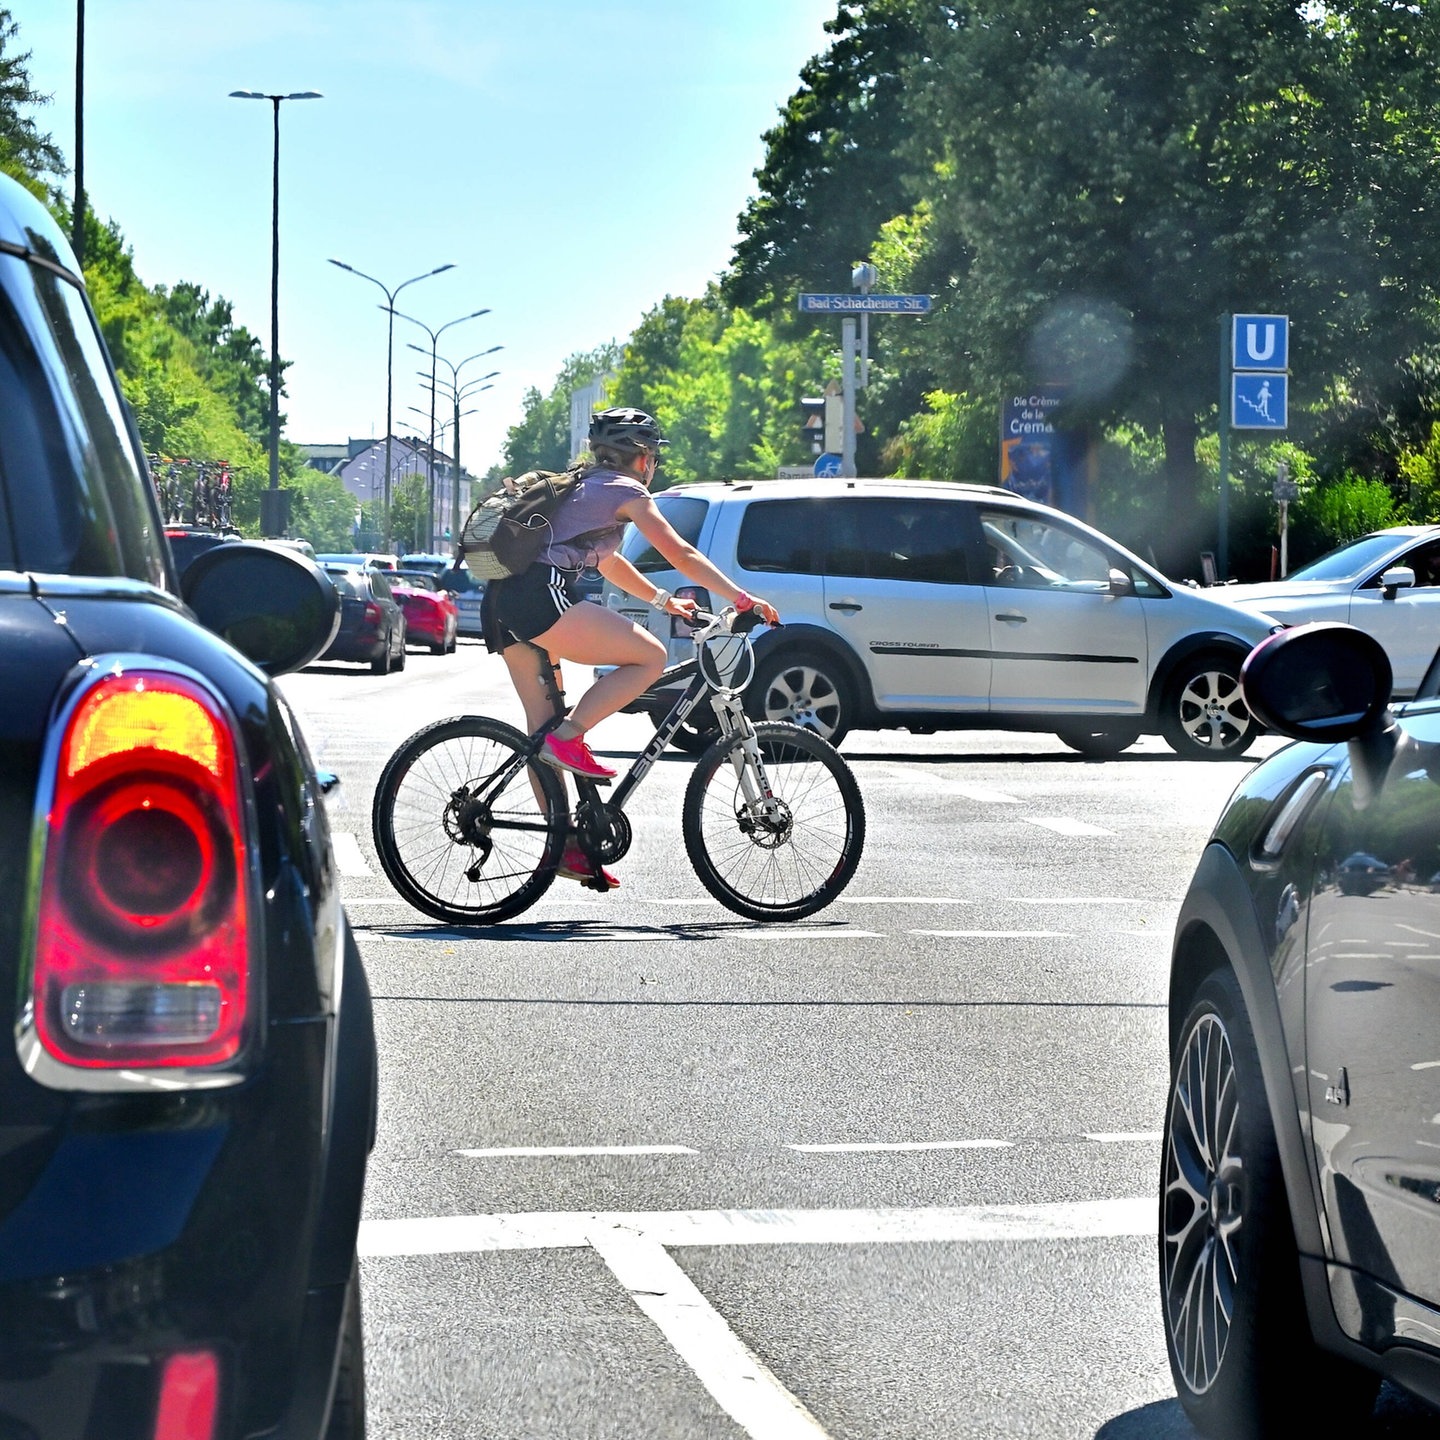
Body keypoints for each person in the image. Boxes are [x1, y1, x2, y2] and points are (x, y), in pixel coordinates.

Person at [480, 407, 780, 889]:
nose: (653, 465)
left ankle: (565, 846)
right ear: (642, 458)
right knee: (650, 656)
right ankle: (570, 737)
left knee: (541, 728)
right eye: (653, 456)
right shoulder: (627, 491)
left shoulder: (584, 485)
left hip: (503, 601)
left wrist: (664, 601)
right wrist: (741, 598)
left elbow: (609, 562)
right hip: (539, 596)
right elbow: (681, 553)